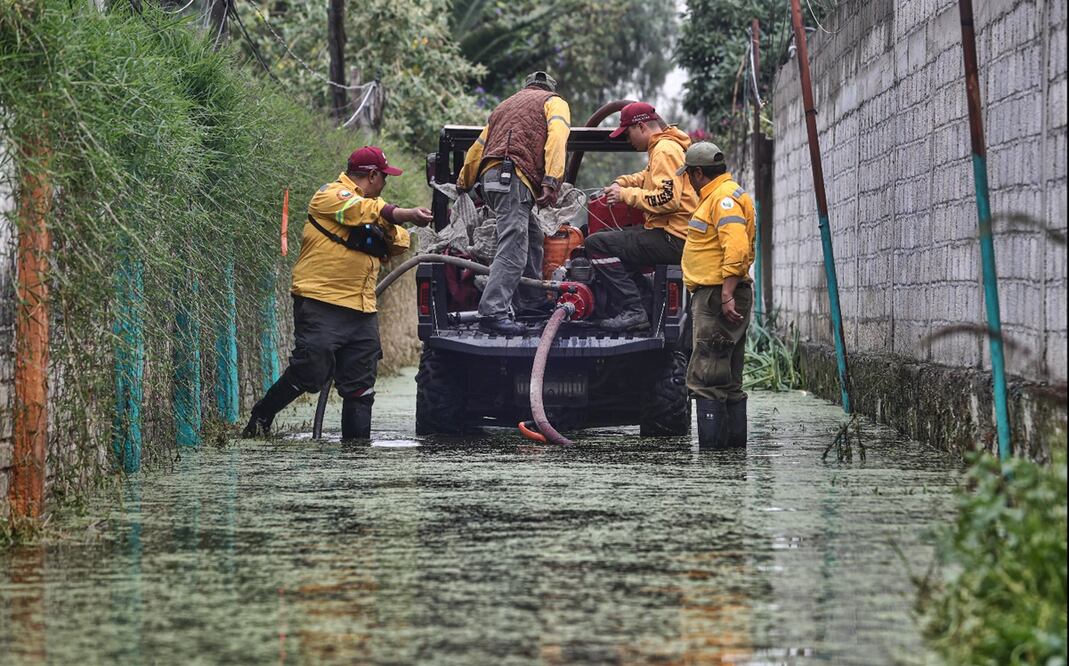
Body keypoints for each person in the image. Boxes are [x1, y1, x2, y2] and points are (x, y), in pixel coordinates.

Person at [242, 146, 432, 441]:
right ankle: (260, 418)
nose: (385, 184)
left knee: (361, 387)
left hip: (362, 309)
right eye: (384, 177)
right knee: (311, 370)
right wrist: (400, 214)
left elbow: (400, 243)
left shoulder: (374, 206)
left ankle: (356, 455)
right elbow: (358, 210)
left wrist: (391, 224)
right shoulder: (329, 196)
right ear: (372, 175)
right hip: (321, 302)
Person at [456, 71, 571, 336]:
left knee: (531, 235)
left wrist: (465, 178)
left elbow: (479, 146)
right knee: (514, 245)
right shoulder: (554, 102)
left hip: (491, 179)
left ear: (526, 87)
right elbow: (557, 139)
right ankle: (492, 312)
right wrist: (552, 180)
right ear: (548, 88)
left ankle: (531, 301)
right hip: (513, 177)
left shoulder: (504, 106)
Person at [587, 102, 699, 331]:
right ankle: (644, 302)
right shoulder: (665, 147)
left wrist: (625, 195)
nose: (628, 140)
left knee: (595, 244)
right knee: (617, 241)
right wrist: (623, 182)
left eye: (627, 133)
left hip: (673, 237)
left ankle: (633, 310)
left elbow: (668, 200)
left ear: (640, 126)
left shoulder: (664, 150)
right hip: (674, 234)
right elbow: (648, 177)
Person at [677, 141, 756, 448]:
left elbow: (735, 247)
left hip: (716, 296)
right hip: (722, 293)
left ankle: (714, 461)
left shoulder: (721, 200)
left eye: (690, 175)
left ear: (698, 173)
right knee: (729, 381)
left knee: (707, 377)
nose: (689, 181)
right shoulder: (728, 194)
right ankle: (732, 457)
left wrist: (725, 294)